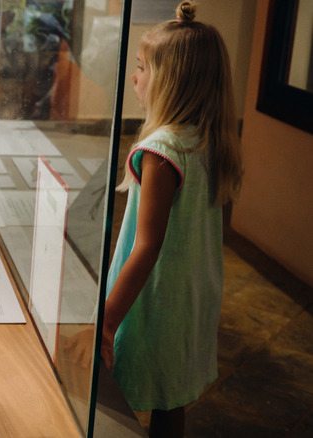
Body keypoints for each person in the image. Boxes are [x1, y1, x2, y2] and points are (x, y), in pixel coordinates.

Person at [102, 2, 242, 437]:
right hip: (194, 296)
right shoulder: (209, 138)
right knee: (172, 396)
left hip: (155, 301)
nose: (134, 77)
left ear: (170, 81)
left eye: (142, 67)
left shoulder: (162, 149)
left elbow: (147, 245)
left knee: (110, 393)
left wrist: (107, 322)